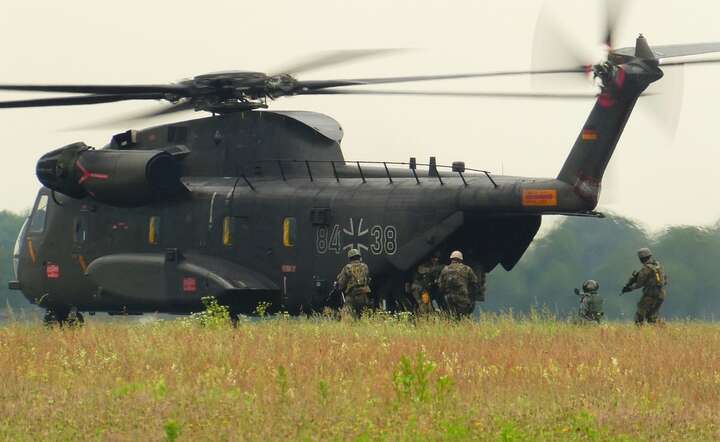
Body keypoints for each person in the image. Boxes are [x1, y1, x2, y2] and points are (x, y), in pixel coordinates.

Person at [621, 247, 667, 325]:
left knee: (639, 316)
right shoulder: (658, 266)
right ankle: (662, 332)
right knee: (652, 316)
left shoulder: (646, 268)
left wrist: (629, 288)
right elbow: (665, 279)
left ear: (641, 258)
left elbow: (639, 283)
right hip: (661, 294)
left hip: (650, 295)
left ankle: (639, 333)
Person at [438, 250, 480, 318]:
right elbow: (474, 282)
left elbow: (440, 285)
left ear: (451, 259)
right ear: (461, 259)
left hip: (449, 298)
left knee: (452, 316)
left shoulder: (445, 269)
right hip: (462, 296)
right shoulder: (466, 269)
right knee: (464, 316)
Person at [335, 248, 372, 318]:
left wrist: (338, 286)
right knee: (363, 317)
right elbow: (367, 280)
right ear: (359, 257)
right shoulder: (365, 266)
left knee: (345, 317)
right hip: (364, 296)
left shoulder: (347, 268)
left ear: (350, 258)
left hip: (352, 296)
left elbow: (341, 283)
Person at [410, 252, 444, 316]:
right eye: (434, 258)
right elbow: (421, 270)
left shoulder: (435, 266)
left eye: (437, 258)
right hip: (420, 288)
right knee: (424, 304)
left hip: (422, 289)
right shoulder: (424, 266)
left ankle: (423, 317)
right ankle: (423, 318)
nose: (436, 260)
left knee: (425, 303)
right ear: (430, 258)